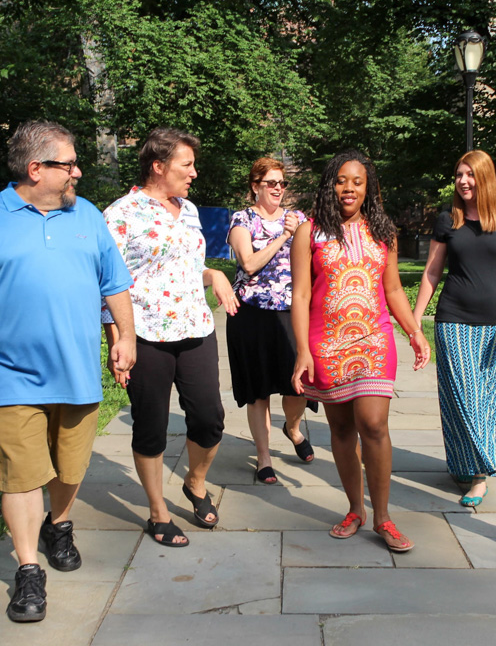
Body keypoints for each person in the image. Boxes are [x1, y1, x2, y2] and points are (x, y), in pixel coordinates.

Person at [0, 120, 137, 623]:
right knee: (22, 474)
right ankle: (28, 570)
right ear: (35, 169)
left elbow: (114, 285)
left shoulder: (87, 215)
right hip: (12, 372)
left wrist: (125, 338)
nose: (77, 172)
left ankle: (59, 523)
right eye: (68, 164)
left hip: (77, 371)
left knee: (70, 468)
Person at [101, 127, 238, 548]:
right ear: (158, 167)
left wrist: (213, 273)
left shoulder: (190, 210)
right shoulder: (120, 214)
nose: (194, 172)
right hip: (144, 335)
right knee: (151, 426)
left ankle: (195, 484)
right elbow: (108, 285)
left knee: (210, 418)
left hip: (196, 329)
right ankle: (157, 512)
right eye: (187, 164)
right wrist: (117, 343)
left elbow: (182, 267)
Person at [291, 150, 431, 552]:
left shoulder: (382, 231)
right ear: (329, 184)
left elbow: (391, 290)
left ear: (368, 187)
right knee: (340, 430)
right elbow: (299, 295)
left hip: (373, 340)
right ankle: (356, 509)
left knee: (373, 425)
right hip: (327, 343)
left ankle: (384, 517)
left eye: (357, 181)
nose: (348, 188)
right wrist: (303, 350)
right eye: (340, 180)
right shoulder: (310, 231)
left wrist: (414, 332)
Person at [412, 150, 496, 507]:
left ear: (485, 177)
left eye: (469, 175)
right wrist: (415, 319)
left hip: (495, 323)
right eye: (459, 174)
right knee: (464, 397)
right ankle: (480, 476)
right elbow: (432, 272)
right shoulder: (449, 220)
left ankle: (465, 464)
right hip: (454, 318)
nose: (463, 181)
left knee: (490, 399)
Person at [226, 157, 316, 485]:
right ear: (255, 187)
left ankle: (292, 428)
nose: (278, 188)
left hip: (292, 314)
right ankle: (263, 457)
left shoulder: (299, 219)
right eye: (271, 183)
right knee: (258, 390)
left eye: (282, 183)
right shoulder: (242, 220)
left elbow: (313, 262)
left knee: (298, 384)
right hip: (251, 315)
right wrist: (282, 238)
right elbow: (248, 264)